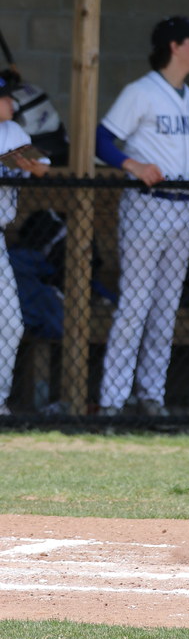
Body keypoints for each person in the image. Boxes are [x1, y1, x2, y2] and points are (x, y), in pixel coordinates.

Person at [95, 16, 189, 418]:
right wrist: (133, 164)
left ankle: (151, 395)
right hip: (147, 202)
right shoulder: (141, 92)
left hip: (183, 207)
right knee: (136, 303)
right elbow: (102, 138)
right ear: (174, 46)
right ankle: (112, 400)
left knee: (165, 306)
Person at [0, 75, 50, 416]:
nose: (12, 103)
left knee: (10, 322)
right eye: (5, 98)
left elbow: (43, 167)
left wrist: (31, 166)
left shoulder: (14, 132)